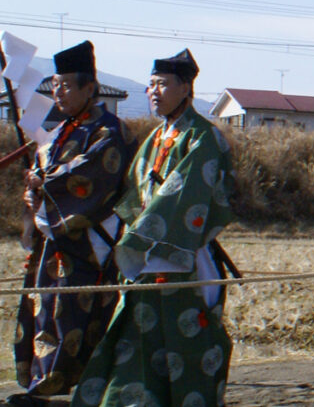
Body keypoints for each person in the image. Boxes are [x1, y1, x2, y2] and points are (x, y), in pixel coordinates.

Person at [72, 49, 236, 406]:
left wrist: (143, 237)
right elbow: (134, 193)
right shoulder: (156, 137)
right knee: (139, 339)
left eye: (162, 84)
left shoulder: (203, 138)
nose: (153, 92)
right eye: (149, 85)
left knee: (192, 341)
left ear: (186, 88)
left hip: (185, 254)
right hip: (146, 255)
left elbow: (188, 194)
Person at [10, 41, 135, 407]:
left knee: (76, 316)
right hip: (54, 238)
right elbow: (41, 172)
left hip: (88, 241)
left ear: (89, 88)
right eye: (55, 84)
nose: (58, 92)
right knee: (43, 310)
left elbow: (90, 176)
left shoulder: (110, 131)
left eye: (66, 85)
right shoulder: (62, 130)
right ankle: (41, 383)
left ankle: (80, 386)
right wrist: (34, 191)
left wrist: (45, 183)